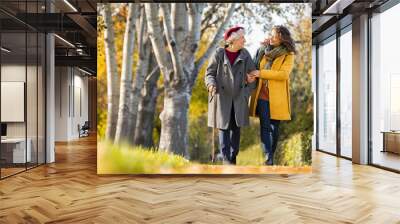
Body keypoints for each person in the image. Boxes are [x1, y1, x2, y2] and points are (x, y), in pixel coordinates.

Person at [205, 26, 258, 165]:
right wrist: (211, 84)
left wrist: (247, 89)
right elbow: (209, 73)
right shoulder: (219, 53)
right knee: (223, 128)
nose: (244, 40)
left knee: (236, 129)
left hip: (239, 98)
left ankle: (233, 157)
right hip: (222, 97)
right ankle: (227, 160)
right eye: (242, 38)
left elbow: (253, 75)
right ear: (233, 41)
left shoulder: (245, 54)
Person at [248, 25, 296, 165]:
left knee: (274, 129)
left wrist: (261, 73)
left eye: (275, 35)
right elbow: (254, 65)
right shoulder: (264, 51)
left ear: (282, 38)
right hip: (261, 94)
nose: (272, 37)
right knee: (265, 126)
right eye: (272, 34)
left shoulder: (288, 55)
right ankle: (268, 158)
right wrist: (260, 49)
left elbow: (283, 75)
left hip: (277, 97)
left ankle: (271, 156)